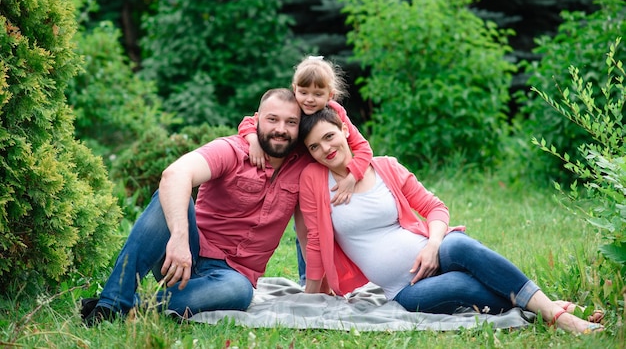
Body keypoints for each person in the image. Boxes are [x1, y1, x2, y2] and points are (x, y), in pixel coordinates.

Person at [297, 107, 604, 335]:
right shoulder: (314, 181)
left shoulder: (386, 167)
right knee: (465, 284)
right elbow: (312, 239)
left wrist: (432, 247)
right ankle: (556, 308)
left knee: (456, 243)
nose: (326, 149)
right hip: (405, 289)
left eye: (329, 136)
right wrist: (311, 295)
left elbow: (435, 208)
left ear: (345, 130)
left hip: (438, 253)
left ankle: (556, 315)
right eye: (314, 146)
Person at [81, 88, 313, 326]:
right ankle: (109, 306)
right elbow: (176, 174)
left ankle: (127, 304)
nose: (281, 129)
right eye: (272, 119)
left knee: (240, 291)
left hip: (230, 278)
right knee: (167, 196)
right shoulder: (231, 150)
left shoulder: (303, 169)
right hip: (184, 257)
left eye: (291, 122)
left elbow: (336, 126)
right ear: (256, 120)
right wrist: (180, 239)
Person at [238, 55, 373, 285]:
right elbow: (249, 122)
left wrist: (352, 177)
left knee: (329, 228)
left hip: (325, 173)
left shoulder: (336, 113)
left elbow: (363, 148)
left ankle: (332, 279)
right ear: (294, 89)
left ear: (330, 95)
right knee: (306, 233)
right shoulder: (293, 107)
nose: (309, 100)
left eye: (318, 94)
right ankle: (307, 279)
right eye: (303, 92)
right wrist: (252, 140)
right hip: (298, 177)